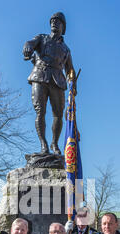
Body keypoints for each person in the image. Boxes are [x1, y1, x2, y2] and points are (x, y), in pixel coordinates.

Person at [23, 12, 76, 155]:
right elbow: (30, 43)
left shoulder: (66, 49)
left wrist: (73, 84)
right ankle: (43, 144)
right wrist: (27, 47)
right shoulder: (41, 38)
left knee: (58, 114)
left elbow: (70, 70)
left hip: (58, 81)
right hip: (40, 75)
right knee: (40, 111)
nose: (54, 22)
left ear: (63, 27)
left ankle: (54, 143)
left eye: (58, 21)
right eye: (52, 20)